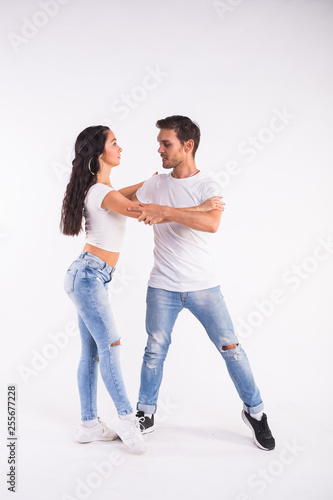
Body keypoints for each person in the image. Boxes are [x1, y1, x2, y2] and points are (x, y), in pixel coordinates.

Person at [60, 125, 222, 454]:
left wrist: (149, 184)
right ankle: (125, 419)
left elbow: (129, 196)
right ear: (99, 154)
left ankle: (88, 425)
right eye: (114, 143)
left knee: (91, 353)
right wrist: (204, 208)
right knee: (112, 346)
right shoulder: (101, 193)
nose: (121, 148)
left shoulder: (103, 189)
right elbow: (148, 212)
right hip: (88, 277)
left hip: (90, 276)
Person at [128, 115, 275, 451]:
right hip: (162, 286)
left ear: (187, 145)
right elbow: (126, 204)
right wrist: (98, 193)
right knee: (154, 351)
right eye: (160, 143)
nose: (160, 149)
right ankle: (145, 413)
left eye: (166, 143)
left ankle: (255, 413)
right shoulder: (156, 183)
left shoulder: (208, 186)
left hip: (204, 287)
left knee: (232, 349)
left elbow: (211, 224)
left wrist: (165, 211)